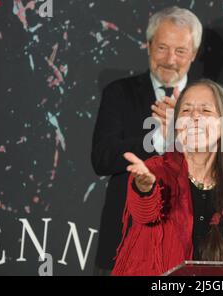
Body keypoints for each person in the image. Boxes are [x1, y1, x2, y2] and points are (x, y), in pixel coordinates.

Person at [111, 80, 223, 276]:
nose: (194, 116)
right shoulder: (156, 169)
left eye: (206, 110)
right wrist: (145, 188)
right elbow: (145, 213)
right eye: (185, 111)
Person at [91, 6, 203, 275]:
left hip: (190, 242)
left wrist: (181, 133)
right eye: (162, 48)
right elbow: (102, 158)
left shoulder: (210, 100)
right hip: (125, 240)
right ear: (148, 45)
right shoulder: (119, 93)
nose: (170, 60)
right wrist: (156, 137)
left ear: (194, 54)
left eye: (180, 51)